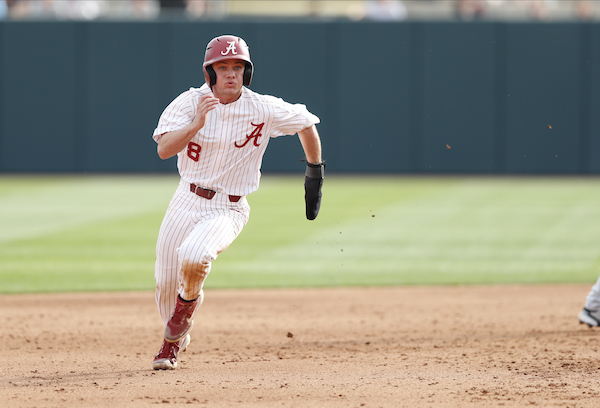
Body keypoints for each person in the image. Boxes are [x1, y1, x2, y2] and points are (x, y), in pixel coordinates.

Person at [150, 34, 324, 370]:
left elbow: (307, 122)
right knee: (166, 284)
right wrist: (196, 122)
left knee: (195, 256)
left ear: (247, 72)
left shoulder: (262, 107)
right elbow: (163, 150)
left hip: (229, 207)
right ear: (209, 73)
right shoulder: (189, 103)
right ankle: (179, 326)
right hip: (185, 200)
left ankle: (172, 338)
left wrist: (314, 174)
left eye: (238, 67)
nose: (231, 73)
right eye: (223, 67)